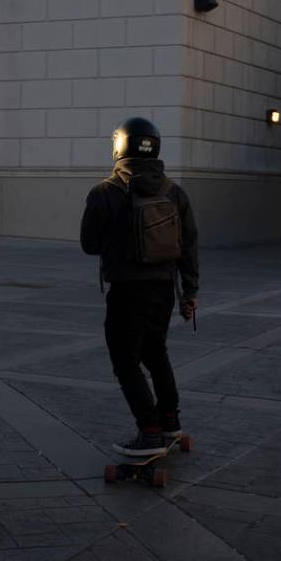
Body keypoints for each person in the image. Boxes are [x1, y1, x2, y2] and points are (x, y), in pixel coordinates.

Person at [80, 117, 199, 456]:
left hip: (126, 291)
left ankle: (149, 432)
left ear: (119, 146)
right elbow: (189, 246)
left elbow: (89, 244)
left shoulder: (105, 191)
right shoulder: (174, 192)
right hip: (163, 289)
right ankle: (170, 422)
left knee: (125, 360)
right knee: (156, 353)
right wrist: (189, 293)